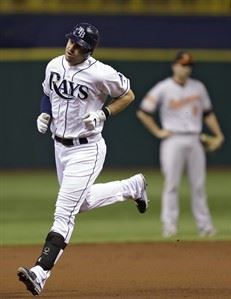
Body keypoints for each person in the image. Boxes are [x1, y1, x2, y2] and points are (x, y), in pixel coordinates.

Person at [17, 22, 148, 296]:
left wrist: (105, 114)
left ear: (89, 50)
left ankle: (40, 272)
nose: (71, 48)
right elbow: (47, 92)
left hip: (87, 150)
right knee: (83, 202)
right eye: (70, 42)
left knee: (64, 212)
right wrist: (45, 113)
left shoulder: (101, 73)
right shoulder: (54, 65)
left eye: (78, 46)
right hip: (60, 148)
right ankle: (132, 187)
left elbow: (128, 94)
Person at [136, 50, 224, 238]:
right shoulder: (163, 87)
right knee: (171, 184)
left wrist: (218, 134)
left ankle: (205, 226)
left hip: (195, 138)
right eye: (183, 65)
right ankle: (169, 226)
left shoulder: (198, 87)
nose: (186, 69)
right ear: (174, 65)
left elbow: (208, 113)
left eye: (189, 65)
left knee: (199, 185)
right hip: (173, 139)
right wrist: (158, 132)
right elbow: (143, 111)